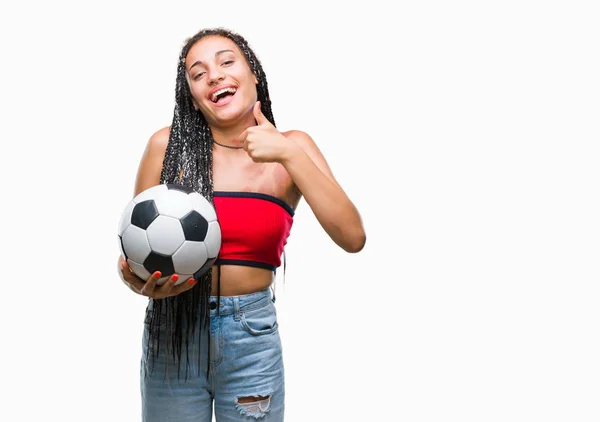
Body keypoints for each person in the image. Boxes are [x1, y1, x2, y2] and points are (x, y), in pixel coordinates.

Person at [117, 27, 366, 421]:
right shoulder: (166, 147)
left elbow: (353, 237)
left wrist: (290, 155)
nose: (213, 75)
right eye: (198, 74)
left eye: (226, 61)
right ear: (195, 100)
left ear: (254, 74)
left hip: (250, 336)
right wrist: (136, 281)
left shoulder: (294, 147)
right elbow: (134, 254)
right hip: (173, 333)